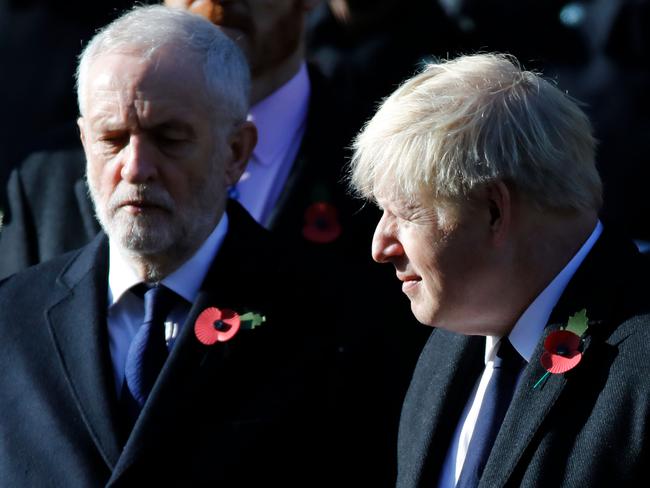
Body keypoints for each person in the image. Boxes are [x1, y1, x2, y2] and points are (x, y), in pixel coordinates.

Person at [0, 6, 336, 485]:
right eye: (112, 140)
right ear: (84, 141)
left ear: (236, 151)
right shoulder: (12, 318)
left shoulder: (328, 320)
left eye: (170, 139)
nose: (136, 169)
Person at [348, 53, 650, 487]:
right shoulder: (448, 349)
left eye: (407, 213)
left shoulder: (638, 370)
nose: (381, 246)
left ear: (494, 209)